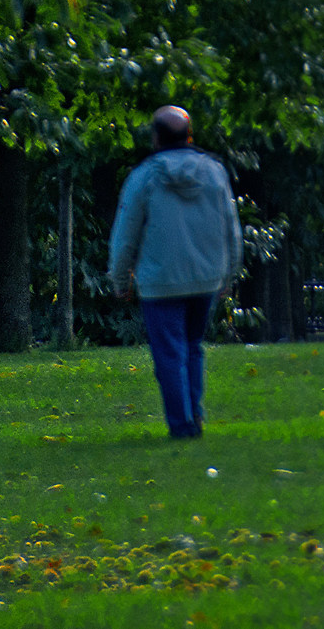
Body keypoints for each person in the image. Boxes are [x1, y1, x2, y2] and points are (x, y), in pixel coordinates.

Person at [108, 104, 242, 440]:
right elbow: (231, 228)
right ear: (190, 134)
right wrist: (228, 275)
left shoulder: (144, 177)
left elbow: (125, 234)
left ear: (155, 137)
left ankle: (181, 426)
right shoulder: (214, 171)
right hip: (205, 278)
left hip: (160, 281)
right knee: (193, 346)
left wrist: (120, 280)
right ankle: (194, 415)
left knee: (169, 353)